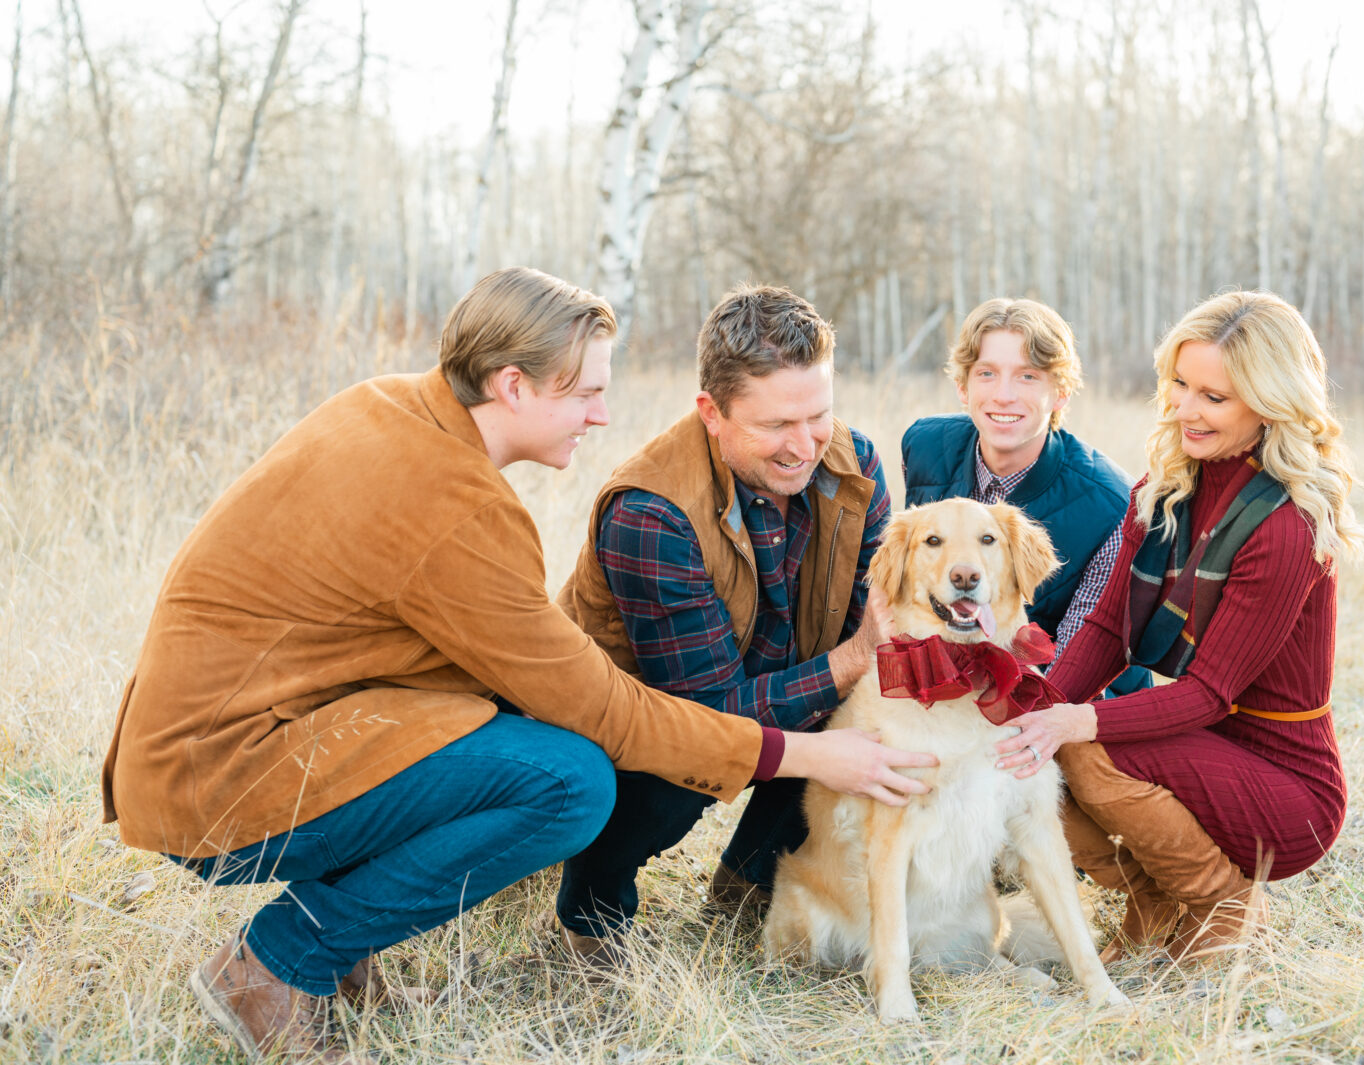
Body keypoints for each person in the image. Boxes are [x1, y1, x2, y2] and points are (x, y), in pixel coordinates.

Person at [100, 268, 934, 1064]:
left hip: (221, 744)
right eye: (584, 393)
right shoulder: (452, 505)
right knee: (567, 781)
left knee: (511, 738)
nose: (601, 415)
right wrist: (814, 750)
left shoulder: (389, 407)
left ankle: (344, 966)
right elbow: (604, 710)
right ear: (511, 386)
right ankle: (277, 963)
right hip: (220, 783)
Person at [992, 290, 1364, 964]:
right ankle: (1153, 900)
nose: (1185, 409)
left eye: (1214, 397)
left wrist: (1073, 723)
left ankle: (1220, 902)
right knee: (1033, 747)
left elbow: (1206, 693)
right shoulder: (1168, 485)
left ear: (1267, 402)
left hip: (1287, 788)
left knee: (1082, 744)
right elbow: (1109, 628)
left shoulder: (1285, 526)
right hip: (1203, 747)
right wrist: (1038, 713)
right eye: (1179, 384)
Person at [555, 283, 894, 962]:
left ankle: (751, 887)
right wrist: (854, 658)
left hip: (771, 678)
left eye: (818, 414)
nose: (805, 445)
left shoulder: (855, 467)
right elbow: (709, 717)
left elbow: (879, 630)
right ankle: (591, 919)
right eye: (776, 426)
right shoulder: (651, 511)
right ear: (712, 412)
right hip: (644, 717)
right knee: (673, 769)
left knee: (855, 714)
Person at [901, 297, 1151, 695]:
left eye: (1028, 376)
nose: (1003, 395)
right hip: (956, 683)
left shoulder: (1115, 506)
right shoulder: (924, 447)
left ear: (1061, 393)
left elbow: (1077, 665)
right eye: (987, 373)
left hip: (1074, 698)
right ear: (962, 387)